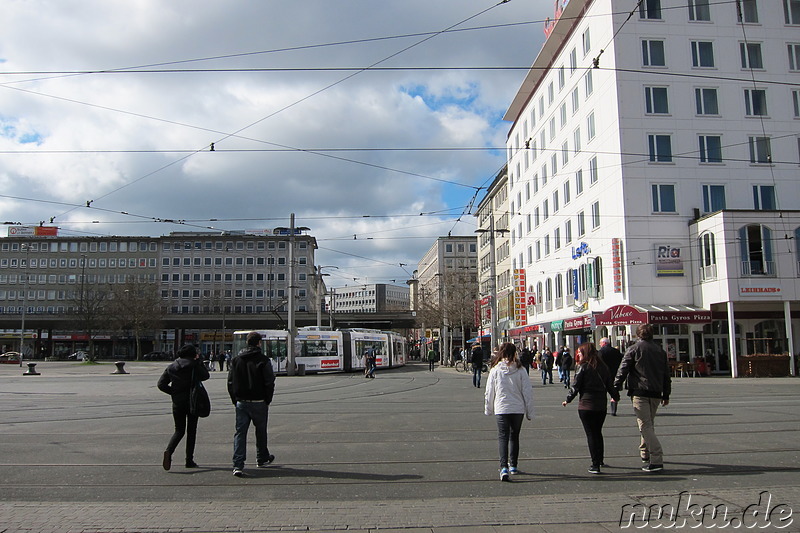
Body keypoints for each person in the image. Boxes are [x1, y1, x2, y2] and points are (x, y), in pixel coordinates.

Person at [614, 324, 671, 473]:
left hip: (640, 391)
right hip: (656, 392)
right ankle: (645, 453)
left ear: (638, 335)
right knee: (648, 424)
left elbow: (623, 370)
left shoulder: (633, 349)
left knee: (645, 425)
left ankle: (657, 458)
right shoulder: (660, 351)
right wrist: (666, 394)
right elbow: (666, 375)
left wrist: (615, 388)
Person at [562, 342, 619, 474]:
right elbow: (610, 385)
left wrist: (568, 399)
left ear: (585, 354)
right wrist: (615, 396)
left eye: (580, 353)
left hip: (586, 406)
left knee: (591, 434)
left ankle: (595, 464)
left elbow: (575, 386)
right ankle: (600, 459)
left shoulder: (583, 367)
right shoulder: (603, 367)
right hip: (601, 406)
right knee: (598, 432)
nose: (578, 355)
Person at [227, 331, 276, 477]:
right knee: (261, 431)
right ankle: (261, 457)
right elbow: (269, 382)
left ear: (247, 342)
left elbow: (230, 382)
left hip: (241, 402)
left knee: (240, 433)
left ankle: (238, 464)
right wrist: (268, 399)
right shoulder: (263, 360)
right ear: (259, 343)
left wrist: (235, 399)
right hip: (259, 401)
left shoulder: (236, 360)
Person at [484, 343, 535, 482]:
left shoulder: (495, 370)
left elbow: (489, 391)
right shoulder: (521, 370)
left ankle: (503, 467)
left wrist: (488, 409)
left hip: (501, 408)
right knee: (514, 436)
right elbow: (528, 392)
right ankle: (513, 465)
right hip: (517, 409)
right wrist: (529, 412)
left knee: (503, 436)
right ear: (514, 354)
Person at [157, 344, 209, 471]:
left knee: (179, 430)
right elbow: (205, 376)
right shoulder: (194, 365)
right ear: (193, 354)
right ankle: (189, 460)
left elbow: (161, 384)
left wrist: (174, 392)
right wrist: (199, 362)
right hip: (193, 401)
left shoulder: (172, 366)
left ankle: (169, 451)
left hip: (177, 402)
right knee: (192, 431)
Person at [598, 337, 623, 416]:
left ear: (604, 343)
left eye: (600, 343)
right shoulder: (616, 351)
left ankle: (603, 409)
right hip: (615, 375)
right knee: (614, 392)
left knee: (603, 393)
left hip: (603, 376)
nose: (599, 344)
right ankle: (613, 410)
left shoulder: (600, 352)